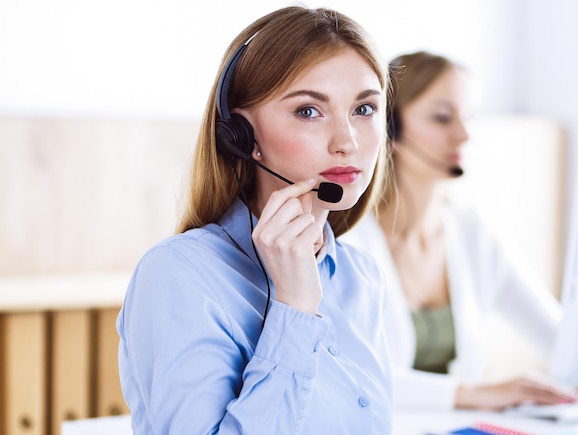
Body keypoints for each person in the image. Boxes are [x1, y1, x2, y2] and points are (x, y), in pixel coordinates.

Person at [116, 6, 393, 434]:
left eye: (365, 109)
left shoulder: (361, 277)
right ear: (242, 138)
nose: (348, 141)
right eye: (308, 111)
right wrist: (294, 308)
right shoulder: (179, 275)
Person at [341, 50, 578, 412]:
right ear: (389, 127)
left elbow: (562, 340)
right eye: (443, 118)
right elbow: (350, 377)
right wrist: (473, 394)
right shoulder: (349, 238)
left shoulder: (472, 233)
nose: (464, 135)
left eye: (469, 117)